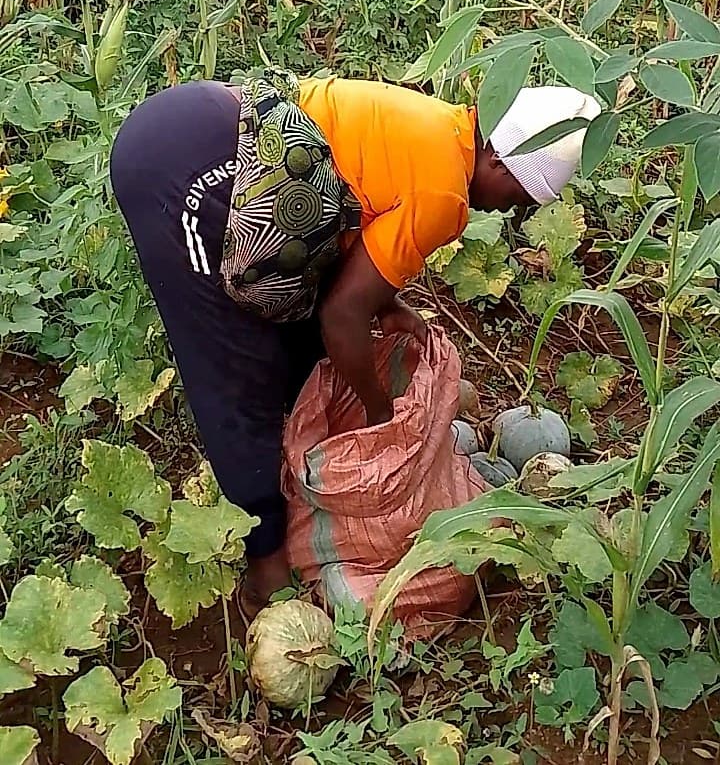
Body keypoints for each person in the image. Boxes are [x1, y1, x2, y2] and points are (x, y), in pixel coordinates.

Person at [110, 73, 599, 614]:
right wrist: (380, 415)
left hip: (213, 123)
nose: (513, 211)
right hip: (186, 171)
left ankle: (291, 501)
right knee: (236, 367)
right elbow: (342, 314)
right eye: (522, 197)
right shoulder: (446, 192)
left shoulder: (443, 128)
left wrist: (386, 304)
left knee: (296, 351)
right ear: (502, 163)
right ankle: (265, 566)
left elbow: (348, 208)